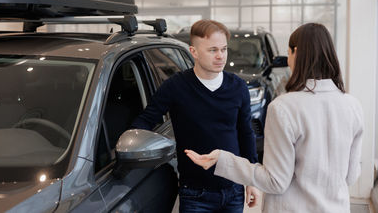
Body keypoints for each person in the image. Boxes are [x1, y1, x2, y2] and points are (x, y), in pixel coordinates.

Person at [185, 22, 364, 213]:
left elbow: (275, 181)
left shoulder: (284, 107)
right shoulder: (352, 105)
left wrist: (222, 159)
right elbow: (351, 176)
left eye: (288, 53)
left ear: (296, 52)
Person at [132, 19, 259, 213]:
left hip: (233, 189)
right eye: (213, 50)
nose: (220, 56)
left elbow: (246, 134)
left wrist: (252, 179)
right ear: (194, 52)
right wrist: (129, 145)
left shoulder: (238, 87)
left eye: (224, 49)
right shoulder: (175, 87)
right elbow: (146, 120)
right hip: (195, 194)